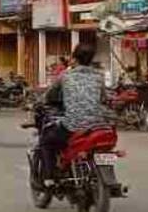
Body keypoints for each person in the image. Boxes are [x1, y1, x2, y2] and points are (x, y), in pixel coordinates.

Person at [37, 41, 107, 184]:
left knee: (46, 140)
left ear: (74, 58)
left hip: (72, 126)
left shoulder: (65, 76)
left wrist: (41, 102)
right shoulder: (99, 77)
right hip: (97, 126)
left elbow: (49, 95)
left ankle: (49, 177)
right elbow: (103, 98)